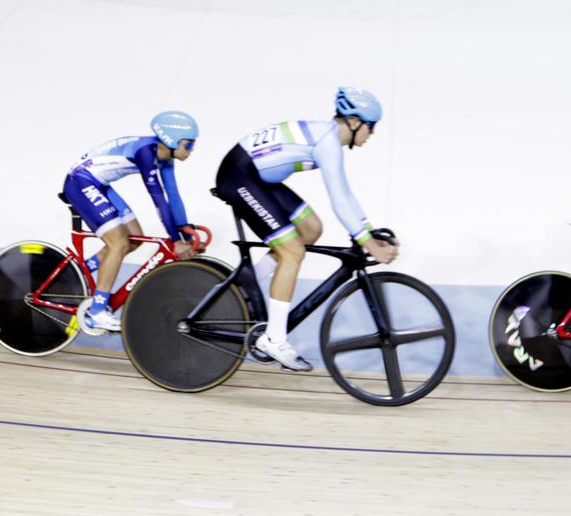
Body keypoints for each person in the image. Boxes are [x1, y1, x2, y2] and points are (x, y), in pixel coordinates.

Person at [213, 87, 398, 371]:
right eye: (371, 127)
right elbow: (338, 197)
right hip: (238, 175)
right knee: (292, 252)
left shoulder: (328, 138)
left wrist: (368, 232)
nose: (371, 134)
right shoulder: (328, 142)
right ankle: (273, 339)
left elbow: (345, 194)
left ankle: (248, 282)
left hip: (259, 178)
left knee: (311, 229)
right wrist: (369, 244)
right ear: (355, 121)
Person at [63, 111, 199, 331]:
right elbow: (158, 200)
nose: (191, 150)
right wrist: (175, 240)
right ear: (172, 141)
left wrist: (185, 231)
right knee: (118, 243)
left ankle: (81, 270)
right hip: (81, 180)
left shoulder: (165, 158)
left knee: (135, 239)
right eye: (189, 145)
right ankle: (97, 311)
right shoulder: (146, 154)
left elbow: (173, 196)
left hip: (100, 184)